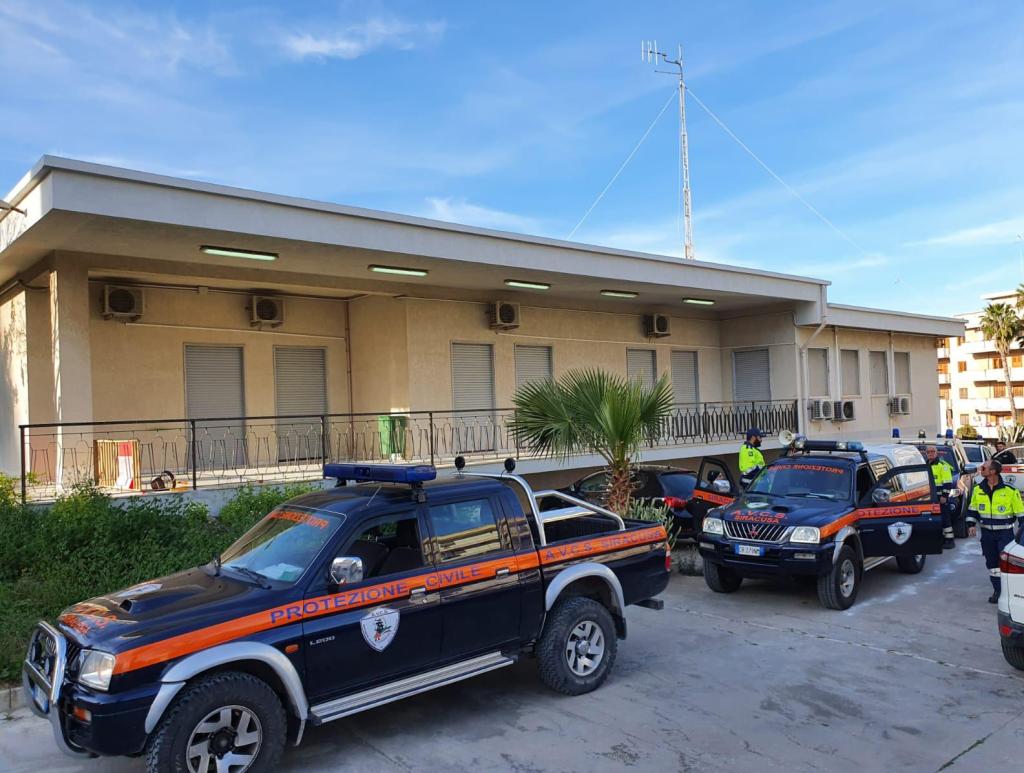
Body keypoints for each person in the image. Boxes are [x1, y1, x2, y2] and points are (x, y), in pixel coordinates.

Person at [966, 459, 1024, 603]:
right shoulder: (978, 489)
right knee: (992, 564)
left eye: (984, 468)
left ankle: (1008, 591)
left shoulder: (1010, 491)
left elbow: (1021, 513)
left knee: (1006, 563)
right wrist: (971, 524)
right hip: (987, 535)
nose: (981, 469)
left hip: (1005, 534)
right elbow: (972, 508)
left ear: (992, 471)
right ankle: (998, 590)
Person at [925, 445, 957, 550]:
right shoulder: (925, 465)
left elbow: (948, 483)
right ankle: (938, 540)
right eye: (928, 452)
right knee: (933, 519)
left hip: (940, 497)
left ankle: (949, 540)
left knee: (944, 518)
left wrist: (944, 496)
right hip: (929, 498)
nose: (930, 453)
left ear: (936, 453)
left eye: (932, 451)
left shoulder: (943, 465)